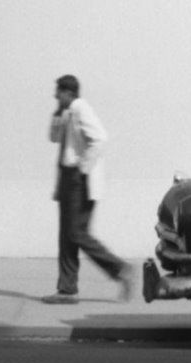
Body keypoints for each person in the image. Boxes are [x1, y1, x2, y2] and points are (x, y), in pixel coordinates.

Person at [44, 74, 133, 302]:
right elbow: (53, 138)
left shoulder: (81, 108)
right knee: (67, 237)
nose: (55, 95)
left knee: (76, 233)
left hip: (77, 180)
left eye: (58, 92)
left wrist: (82, 169)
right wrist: (56, 115)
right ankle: (67, 290)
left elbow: (100, 138)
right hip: (67, 179)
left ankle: (119, 268)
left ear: (68, 92)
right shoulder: (66, 112)